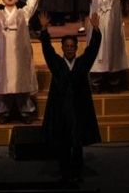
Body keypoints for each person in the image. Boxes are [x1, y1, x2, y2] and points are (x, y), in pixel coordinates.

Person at [39, 11, 102, 183]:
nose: (69, 49)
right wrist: (44, 29)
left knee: (78, 143)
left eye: (72, 46)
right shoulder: (57, 64)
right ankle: (65, 173)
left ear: (76, 48)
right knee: (63, 144)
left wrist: (96, 29)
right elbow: (47, 50)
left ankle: (77, 172)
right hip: (61, 111)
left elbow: (93, 49)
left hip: (79, 110)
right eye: (66, 46)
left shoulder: (82, 63)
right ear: (62, 48)